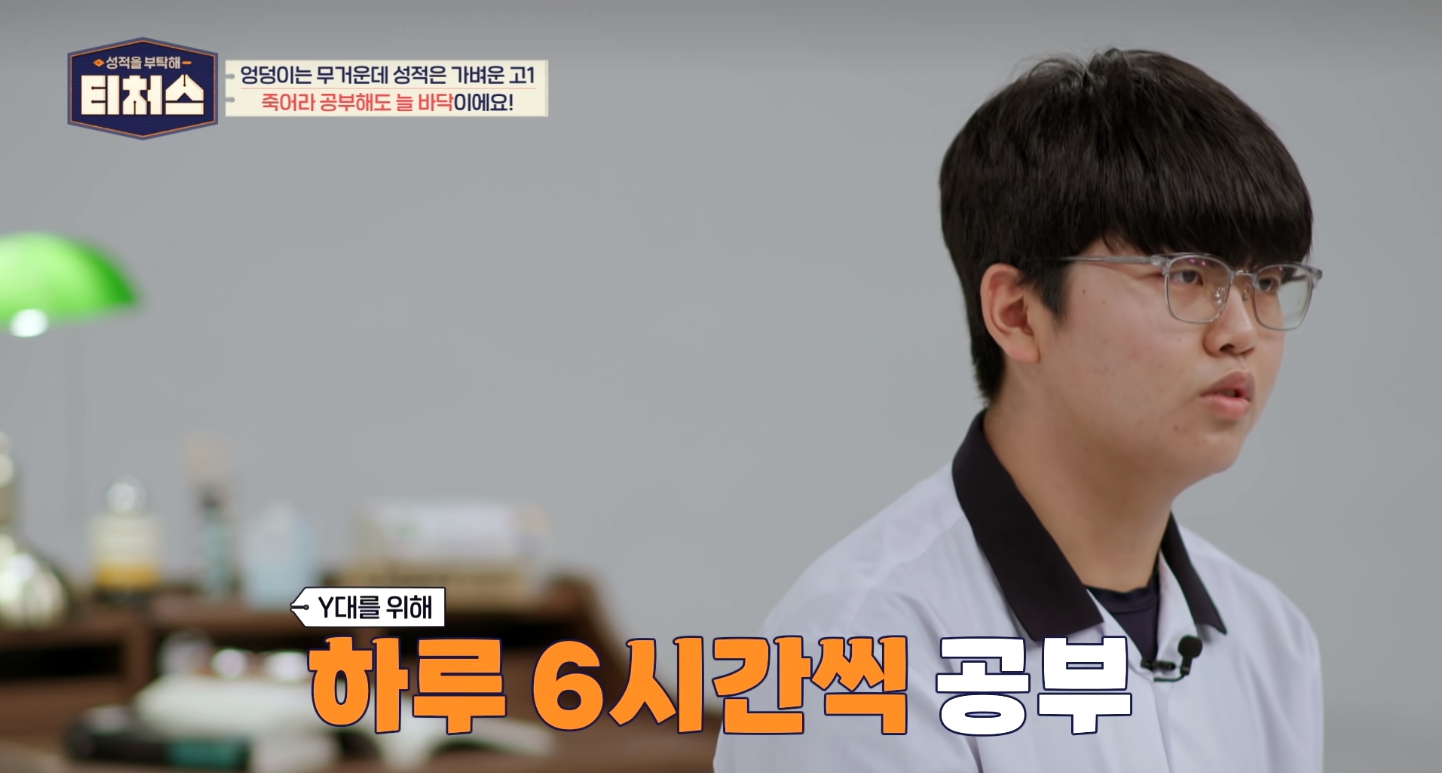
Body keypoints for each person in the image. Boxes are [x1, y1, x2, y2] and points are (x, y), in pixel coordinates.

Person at [713, 48, 1323, 772]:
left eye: (1268, 282)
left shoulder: (1270, 639)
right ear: (1018, 314)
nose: (1242, 330)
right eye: (1188, 275)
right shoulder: (860, 649)